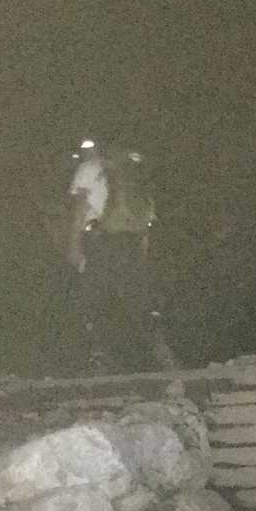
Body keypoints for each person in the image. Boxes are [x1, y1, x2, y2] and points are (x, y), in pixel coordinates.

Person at [66, 138, 176, 373]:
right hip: (131, 242)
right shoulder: (135, 171)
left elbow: (80, 207)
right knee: (140, 298)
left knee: (93, 298)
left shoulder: (90, 168)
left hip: (101, 240)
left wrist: (74, 245)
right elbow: (146, 218)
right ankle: (161, 350)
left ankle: (99, 356)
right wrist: (142, 249)